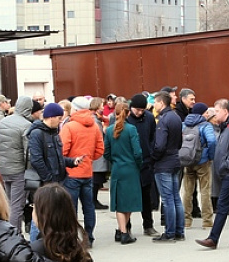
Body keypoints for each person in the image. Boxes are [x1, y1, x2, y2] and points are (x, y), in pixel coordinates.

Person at [196, 100, 229, 249]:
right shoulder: (226, 127)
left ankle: (213, 238)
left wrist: (226, 165)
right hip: (227, 172)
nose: (215, 114)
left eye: (217, 111)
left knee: (222, 204)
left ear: (225, 112)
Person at [61, 97, 105, 245]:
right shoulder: (94, 126)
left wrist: (70, 161)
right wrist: (89, 159)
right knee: (89, 207)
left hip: (71, 172)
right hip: (87, 172)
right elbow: (100, 149)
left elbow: (63, 151)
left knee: (71, 209)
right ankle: (89, 237)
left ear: (75, 108)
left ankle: (72, 239)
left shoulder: (69, 126)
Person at [103, 101, 143, 245]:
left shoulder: (109, 130)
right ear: (127, 113)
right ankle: (123, 232)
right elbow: (137, 151)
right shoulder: (131, 129)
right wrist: (138, 164)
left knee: (119, 202)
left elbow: (106, 152)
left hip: (117, 168)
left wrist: (114, 160)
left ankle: (122, 231)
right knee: (129, 202)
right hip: (131, 168)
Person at [0, 96, 35, 232]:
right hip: (18, 169)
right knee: (17, 206)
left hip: (5, 168)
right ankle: (14, 236)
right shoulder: (26, 125)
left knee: (9, 204)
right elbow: (28, 152)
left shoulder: (3, 122)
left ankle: (7, 233)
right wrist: (30, 171)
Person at [150, 91, 184, 242]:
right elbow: (180, 142)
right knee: (176, 198)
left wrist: (154, 157)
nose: (154, 105)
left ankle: (170, 232)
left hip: (163, 163)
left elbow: (160, 145)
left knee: (167, 199)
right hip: (175, 159)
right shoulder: (176, 117)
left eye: (156, 102)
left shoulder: (163, 120)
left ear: (161, 103)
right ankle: (179, 231)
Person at [180, 102, 216, 229]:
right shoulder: (205, 125)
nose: (208, 114)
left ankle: (186, 220)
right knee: (205, 190)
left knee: (187, 191)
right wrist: (210, 156)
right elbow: (212, 140)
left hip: (188, 161)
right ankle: (207, 221)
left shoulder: (184, 124)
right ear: (202, 113)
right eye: (206, 112)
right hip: (203, 161)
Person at [127, 94, 157, 236]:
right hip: (130, 163)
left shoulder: (149, 118)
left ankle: (148, 225)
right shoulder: (126, 119)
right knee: (128, 197)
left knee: (146, 196)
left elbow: (153, 137)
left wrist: (150, 154)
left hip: (145, 161)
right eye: (137, 110)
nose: (139, 112)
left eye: (142, 110)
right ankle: (126, 226)